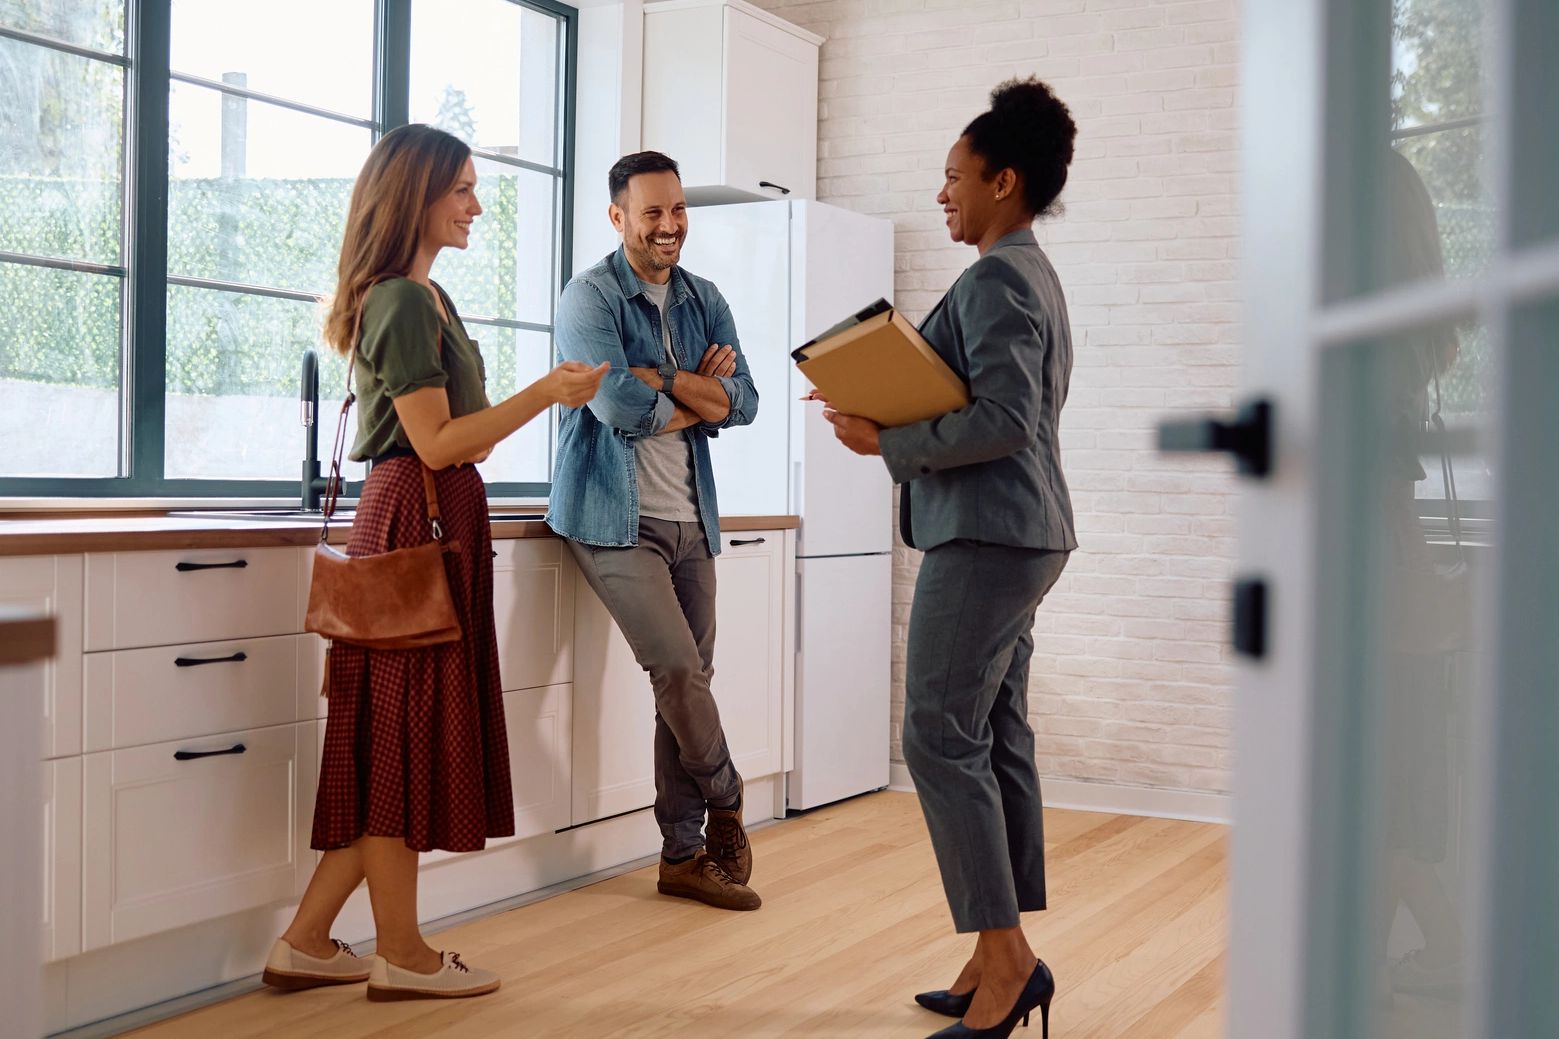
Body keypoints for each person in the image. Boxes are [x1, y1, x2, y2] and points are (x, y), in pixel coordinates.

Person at [264, 124, 607, 1002]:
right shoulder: (406, 302)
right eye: (460, 188)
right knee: (398, 745)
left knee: (391, 742)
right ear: (414, 195)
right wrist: (549, 393)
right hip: (416, 523)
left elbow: (446, 439)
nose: (476, 205)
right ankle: (405, 953)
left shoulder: (424, 297)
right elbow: (437, 440)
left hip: (424, 521)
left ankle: (305, 942)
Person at [818, 79, 1078, 1039]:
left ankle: (1008, 959)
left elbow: (1005, 420)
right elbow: (994, 402)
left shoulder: (998, 278)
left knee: (937, 735)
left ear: (1003, 181)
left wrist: (882, 440)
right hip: (1018, 530)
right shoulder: (1030, 272)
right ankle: (992, 952)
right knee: (994, 730)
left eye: (952, 177)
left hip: (989, 533)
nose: (942, 195)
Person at [547, 150, 761, 911]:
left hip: (691, 516)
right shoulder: (589, 297)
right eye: (651, 213)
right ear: (617, 217)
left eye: (677, 210)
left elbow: (746, 402)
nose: (669, 226)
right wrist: (696, 396)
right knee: (674, 669)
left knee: (685, 685)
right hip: (611, 516)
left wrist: (665, 377)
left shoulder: (704, 296)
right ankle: (729, 794)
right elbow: (614, 409)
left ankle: (682, 855)